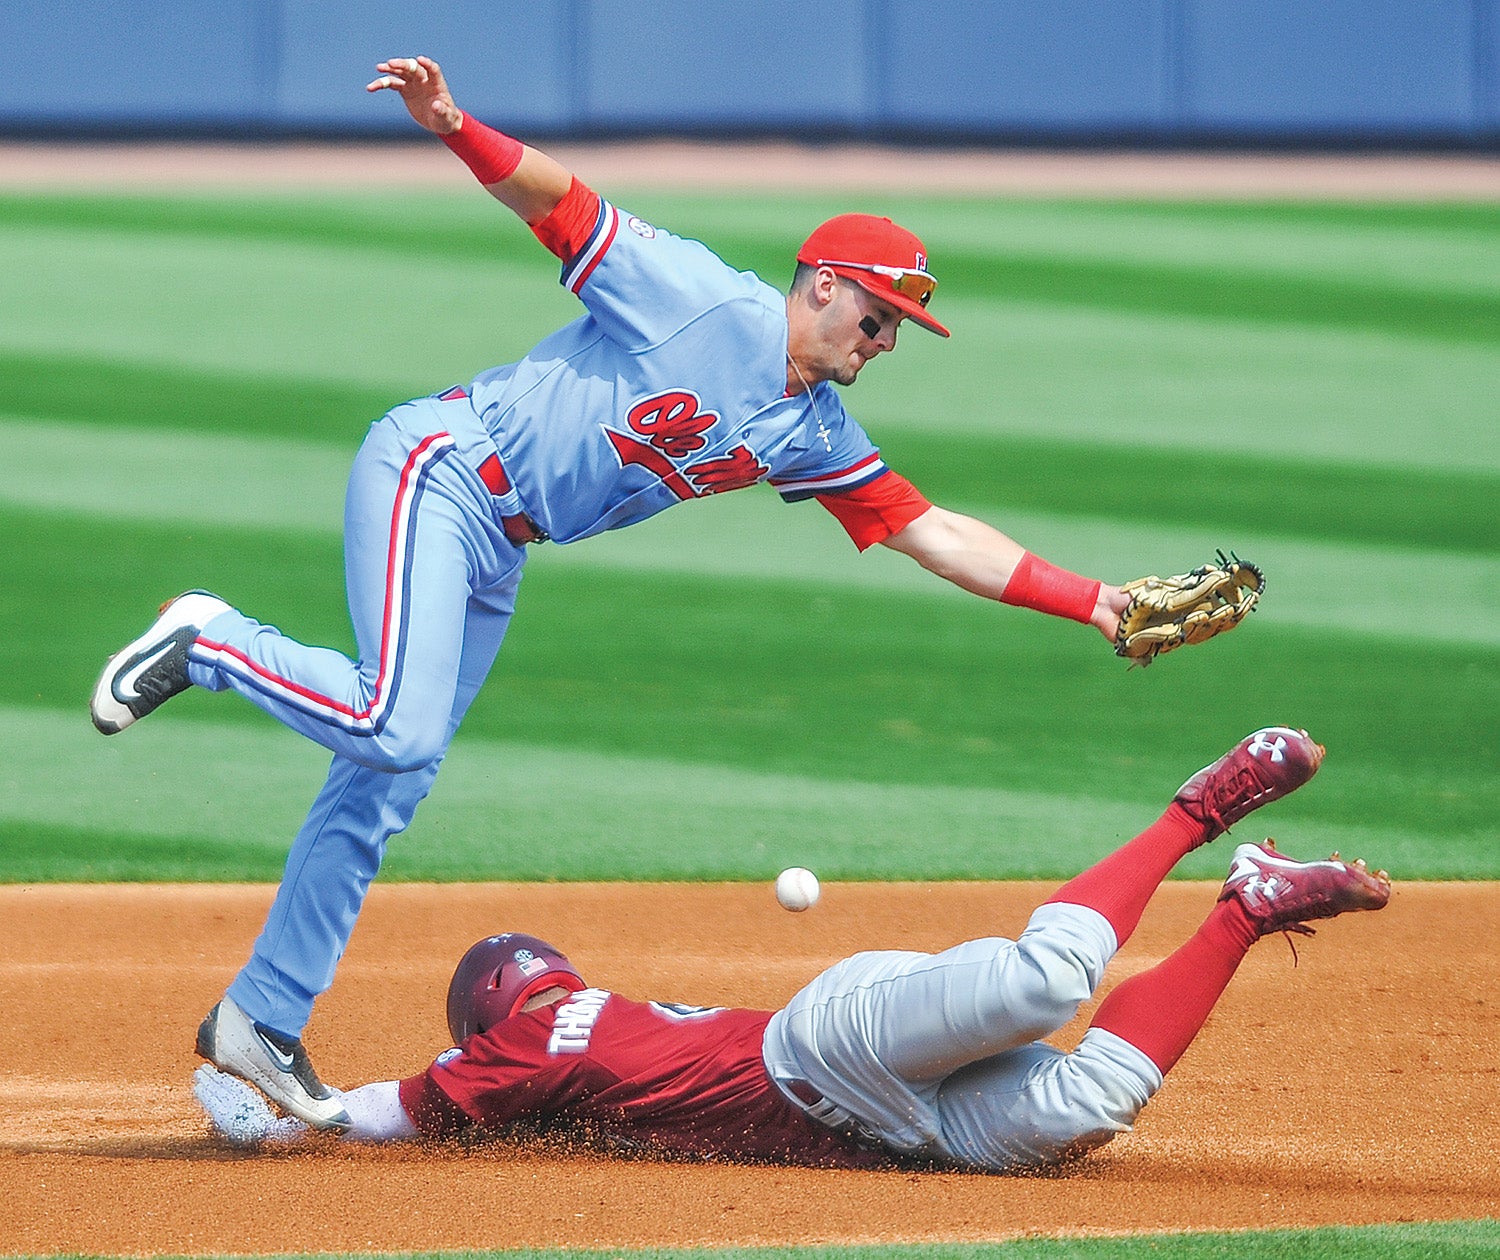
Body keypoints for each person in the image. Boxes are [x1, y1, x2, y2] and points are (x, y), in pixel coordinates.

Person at [94, 53, 1159, 1132]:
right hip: (445, 469)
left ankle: (260, 1023)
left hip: (502, 546)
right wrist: (454, 124)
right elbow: (563, 207)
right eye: (877, 318)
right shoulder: (705, 300)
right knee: (390, 722)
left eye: (896, 333)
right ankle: (212, 638)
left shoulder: (811, 429)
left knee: (382, 783)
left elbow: (931, 533)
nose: (882, 344)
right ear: (826, 284)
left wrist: (1098, 600)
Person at [192, 727, 1390, 1169]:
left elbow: (394, 1111)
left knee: (1046, 982)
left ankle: (1198, 813)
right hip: (879, 1126)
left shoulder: (533, 1034)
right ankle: (1246, 907)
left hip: (830, 1041)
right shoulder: (566, 1049)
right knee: (1093, 1104)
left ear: (491, 1008)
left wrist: (293, 1113)